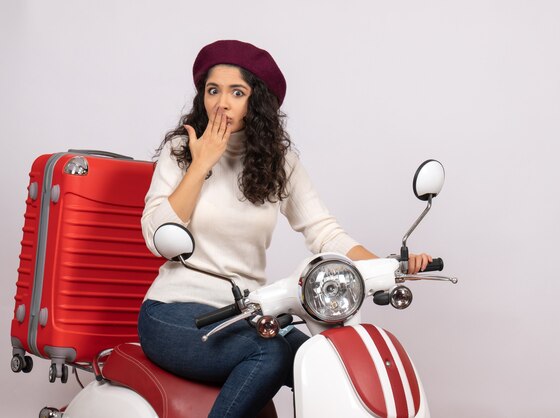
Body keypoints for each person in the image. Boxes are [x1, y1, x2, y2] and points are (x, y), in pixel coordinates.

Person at [138, 40, 432, 418]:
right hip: (174, 314)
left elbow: (325, 231)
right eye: (213, 90)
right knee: (270, 351)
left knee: (325, 355)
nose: (221, 103)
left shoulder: (280, 162)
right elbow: (157, 234)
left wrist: (391, 268)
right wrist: (201, 165)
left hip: (245, 312)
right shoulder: (182, 150)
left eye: (236, 92)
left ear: (255, 100)